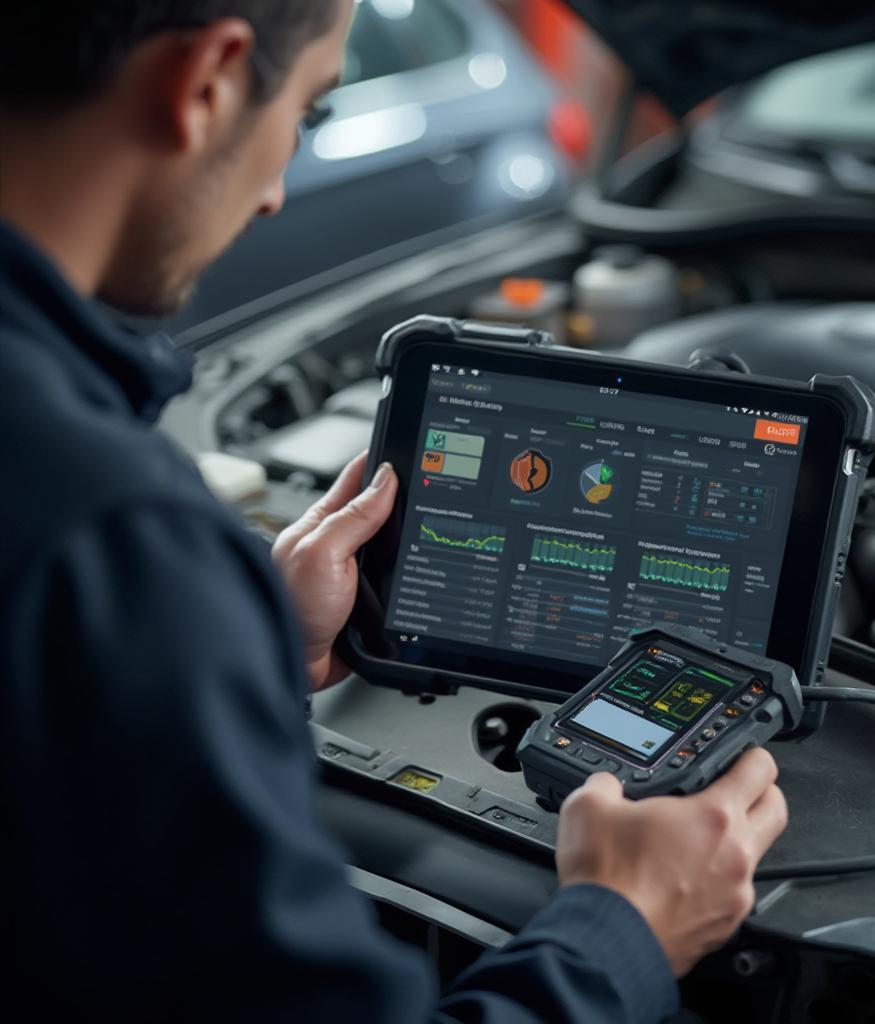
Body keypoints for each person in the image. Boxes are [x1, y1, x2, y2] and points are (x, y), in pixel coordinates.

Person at [0, 2, 788, 1019]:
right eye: (309, 110)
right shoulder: (109, 540)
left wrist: (245, 657)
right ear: (208, 82)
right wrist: (623, 925)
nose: (278, 189)